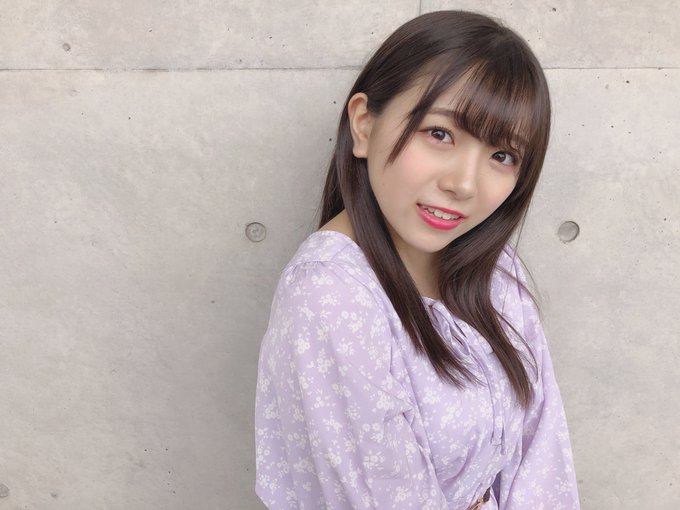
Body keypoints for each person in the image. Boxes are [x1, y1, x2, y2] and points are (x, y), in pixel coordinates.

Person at [254, 10, 579, 510]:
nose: (464, 184)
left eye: (502, 156)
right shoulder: (331, 297)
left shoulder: (495, 270)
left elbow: (543, 457)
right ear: (364, 124)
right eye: (440, 134)